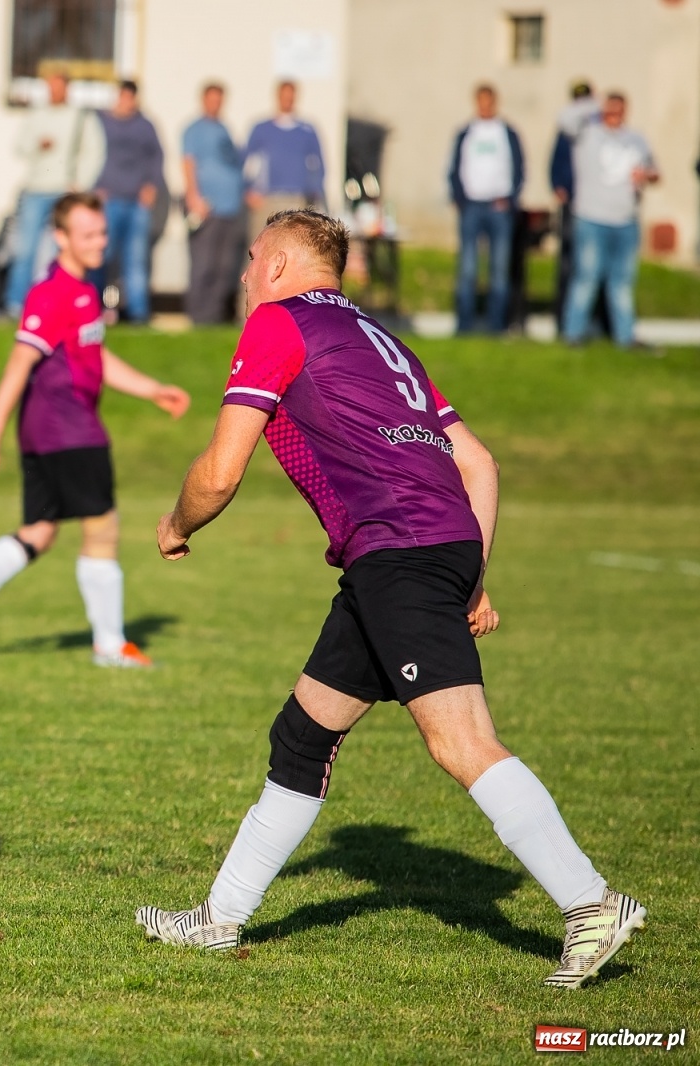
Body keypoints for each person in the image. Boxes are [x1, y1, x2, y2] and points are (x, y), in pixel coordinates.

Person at [137, 209, 644, 990]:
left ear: (276, 265)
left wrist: (176, 522)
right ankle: (220, 919)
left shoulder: (278, 323)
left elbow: (222, 468)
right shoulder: (381, 341)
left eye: (249, 260)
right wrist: (470, 572)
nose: (242, 276)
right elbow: (481, 464)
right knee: (302, 736)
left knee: (461, 741)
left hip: (398, 552)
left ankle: (591, 903)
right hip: (416, 550)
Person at [0, 192, 190, 668]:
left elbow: (95, 356)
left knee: (39, 533)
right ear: (60, 238)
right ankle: (109, 645)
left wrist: (152, 389)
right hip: (69, 432)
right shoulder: (53, 293)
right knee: (102, 529)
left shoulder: (86, 290)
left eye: (102, 232)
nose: (99, 241)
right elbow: (19, 364)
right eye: (87, 234)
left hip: (53, 434)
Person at [562, 93, 658, 349]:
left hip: (626, 220)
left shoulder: (636, 139)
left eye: (619, 110)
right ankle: (573, 333)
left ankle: (625, 337)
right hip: (592, 218)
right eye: (610, 110)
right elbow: (564, 119)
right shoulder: (588, 134)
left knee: (623, 282)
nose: (614, 115)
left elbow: (655, 172)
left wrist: (647, 175)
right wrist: (594, 104)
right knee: (587, 278)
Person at [5, 71, 105, 312]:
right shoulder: (36, 115)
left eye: (58, 87)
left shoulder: (81, 117)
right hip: (35, 188)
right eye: (50, 87)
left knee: (60, 251)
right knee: (25, 250)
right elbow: (19, 146)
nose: (54, 91)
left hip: (63, 191)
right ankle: (15, 304)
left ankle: (56, 302)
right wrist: (38, 145)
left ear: (67, 89)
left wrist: (80, 183)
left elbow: (95, 152)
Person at [447, 85, 524, 335]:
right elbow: (455, 167)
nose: (485, 106)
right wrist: (459, 197)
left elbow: (519, 168)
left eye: (488, 102)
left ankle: (496, 326)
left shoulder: (506, 132)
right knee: (468, 269)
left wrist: (510, 198)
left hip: (498, 206)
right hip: (472, 206)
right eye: (480, 102)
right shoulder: (466, 132)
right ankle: (465, 325)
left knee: (499, 270)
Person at [93, 80, 165, 324]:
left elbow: (157, 157)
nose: (126, 102)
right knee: (100, 256)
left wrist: (151, 186)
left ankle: (138, 314)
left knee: (135, 259)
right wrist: (95, 187)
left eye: (130, 97)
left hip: (136, 204)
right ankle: (92, 308)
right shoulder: (100, 122)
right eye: (123, 97)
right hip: (107, 201)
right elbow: (89, 153)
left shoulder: (145, 125)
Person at [182, 83, 246, 325]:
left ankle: (215, 317)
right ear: (203, 100)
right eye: (211, 99)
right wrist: (193, 197)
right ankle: (198, 316)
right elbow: (188, 163)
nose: (215, 104)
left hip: (230, 208)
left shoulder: (225, 129)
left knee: (225, 265)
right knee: (204, 263)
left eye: (219, 99)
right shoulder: (194, 129)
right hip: (206, 208)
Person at [243, 81, 326, 244]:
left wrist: (313, 193)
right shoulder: (261, 129)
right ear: (277, 96)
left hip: (296, 199)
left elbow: (319, 165)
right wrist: (248, 191)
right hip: (267, 199)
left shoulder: (306, 131)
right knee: (261, 246)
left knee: (293, 246)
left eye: (291, 95)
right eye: (284, 95)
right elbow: (245, 162)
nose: (287, 99)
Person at [550, 81, 603, 332]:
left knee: (595, 270)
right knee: (570, 266)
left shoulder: (598, 128)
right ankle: (566, 321)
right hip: (574, 204)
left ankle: (597, 322)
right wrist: (560, 186)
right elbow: (557, 162)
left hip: (597, 206)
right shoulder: (568, 129)